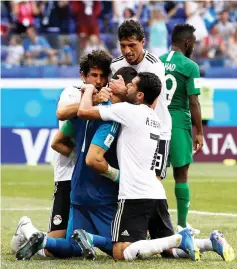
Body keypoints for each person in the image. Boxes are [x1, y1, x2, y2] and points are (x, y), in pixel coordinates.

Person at [14, 66, 137, 260]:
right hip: (101, 194)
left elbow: (57, 142)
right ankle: (89, 237)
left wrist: (79, 157)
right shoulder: (112, 116)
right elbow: (93, 159)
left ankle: (40, 238)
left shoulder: (83, 114)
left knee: (73, 247)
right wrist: (120, 177)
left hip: (77, 190)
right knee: (121, 249)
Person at [76, 71, 199, 262]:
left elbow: (83, 112)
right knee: (169, 251)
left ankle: (179, 238)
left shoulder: (128, 111)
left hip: (134, 195)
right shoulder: (155, 119)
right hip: (157, 193)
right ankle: (209, 243)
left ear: (140, 95)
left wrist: (89, 89)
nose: (127, 88)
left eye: (131, 85)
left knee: (120, 251)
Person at [111, 19, 171, 180]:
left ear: (142, 42)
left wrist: (123, 92)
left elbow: (150, 105)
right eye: (123, 45)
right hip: (129, 132)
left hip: (158, 131)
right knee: (128, 182)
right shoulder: (115, 65)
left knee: (154, 183)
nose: (127, 50)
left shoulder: (154, 66)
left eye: (132, 45)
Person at [160, 24, 203, 229]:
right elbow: (194, 102)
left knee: (154, 176)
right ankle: (182, 226)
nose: (193, 46)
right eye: (193, 42)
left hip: (156, 122)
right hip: (177, 122)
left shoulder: (157, 61)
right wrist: (200, 132)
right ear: (187, 42)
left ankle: (153, 226)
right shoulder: (190, 66)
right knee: (181, 175)